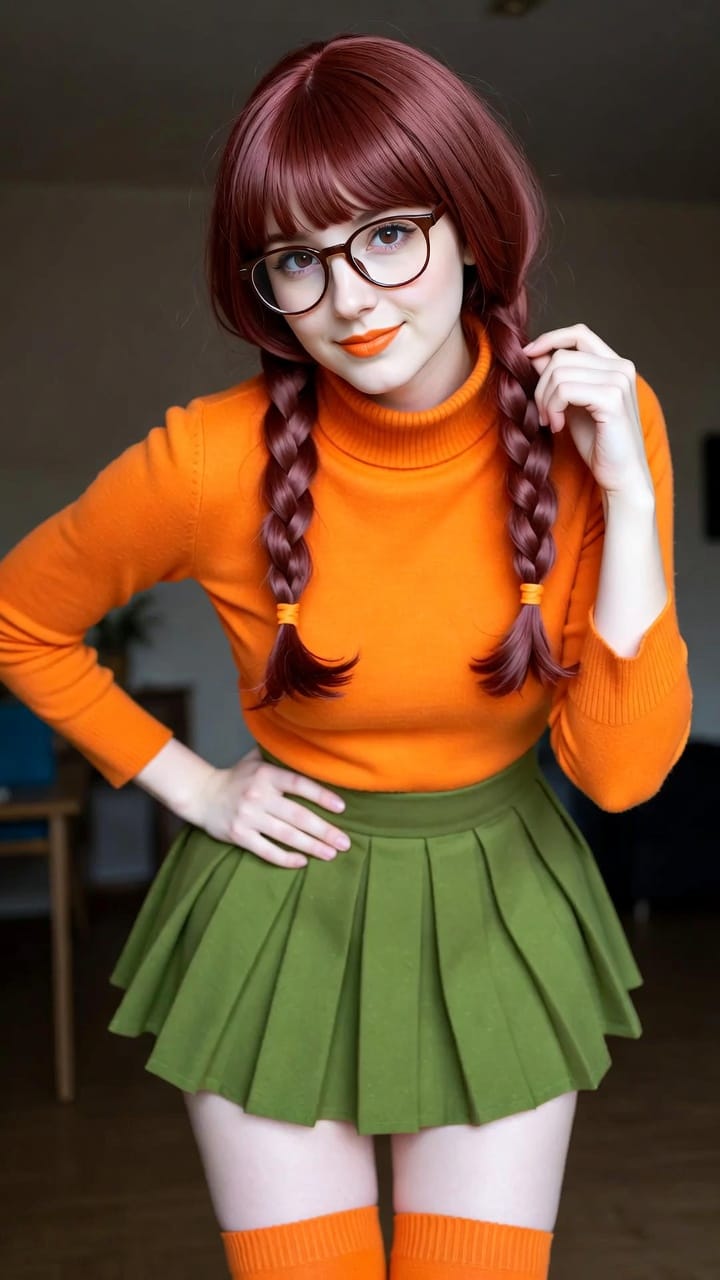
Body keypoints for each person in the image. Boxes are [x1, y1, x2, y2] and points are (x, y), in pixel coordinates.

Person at [0, 31, 692, 1280]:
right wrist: (191, 782)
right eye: (295, 263)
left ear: (470, 229)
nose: (351, 300)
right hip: (281, 908)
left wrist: (633, 499)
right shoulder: (208, 459)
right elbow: (19, 615)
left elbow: (626, 774)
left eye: (386, 235)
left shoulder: (597, 418)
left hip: (503, 899)